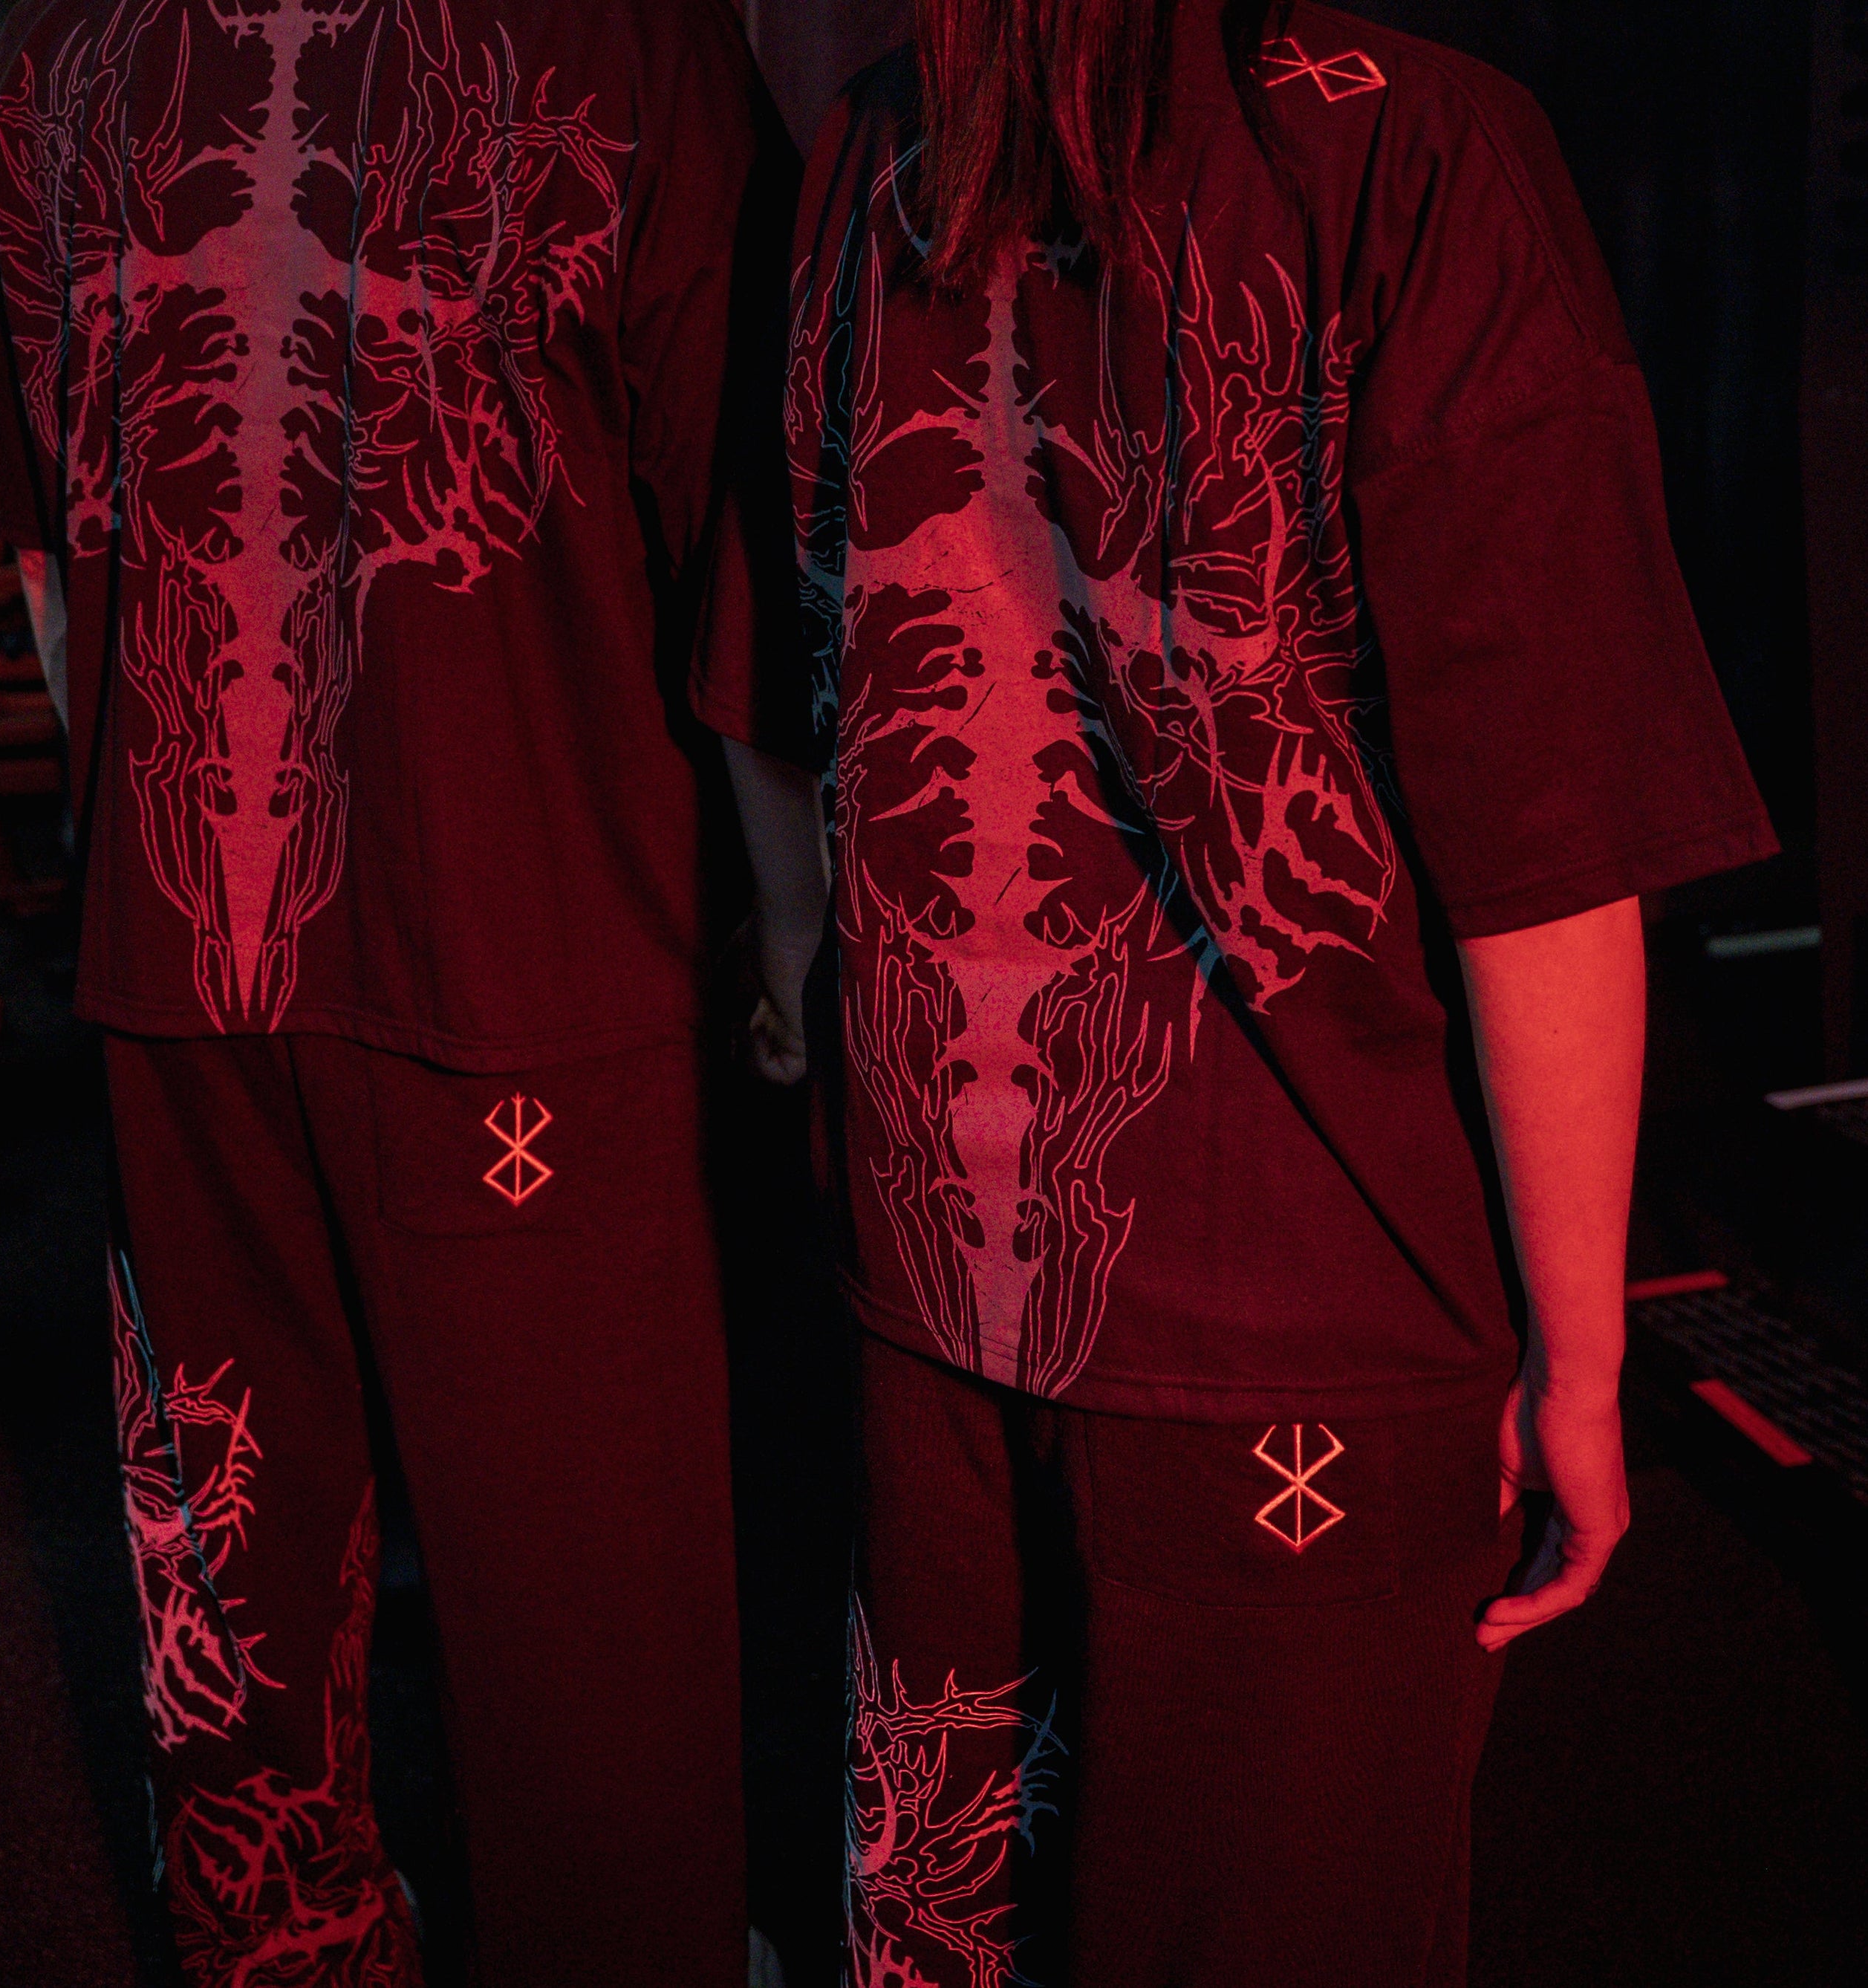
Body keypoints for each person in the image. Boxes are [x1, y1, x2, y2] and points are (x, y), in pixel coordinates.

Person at [700, 1, 1779, 1982]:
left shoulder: (875, 142)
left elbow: (782, 686)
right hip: (1298, 1295)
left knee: (946, 1916)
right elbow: (1544, 845)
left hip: (928, 1264)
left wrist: (793, 989)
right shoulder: (1416, 145)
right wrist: (1581, 1364)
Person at [0, 1, 795, 1981]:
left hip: (181, 929)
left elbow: (50, 552)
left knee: (234, 1512)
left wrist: (123, 866)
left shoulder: (63, 50)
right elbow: (741, 535)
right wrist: (793, 923)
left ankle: (280, 1945)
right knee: (584, 1565)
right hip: (528, 921)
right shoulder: (628, 42)